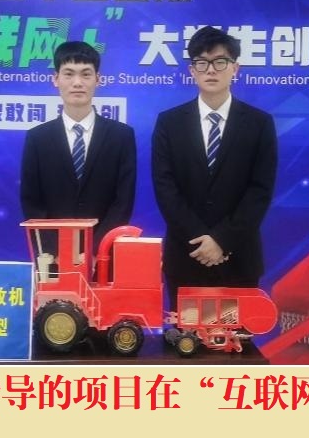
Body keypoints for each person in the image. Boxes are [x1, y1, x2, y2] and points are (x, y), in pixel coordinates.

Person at [151, 26, 278, 305]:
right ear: (191, 70)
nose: (211, 70)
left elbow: (260, 190)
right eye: (202, 62)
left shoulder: (259, 124)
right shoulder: (169, 123)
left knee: (236, 334)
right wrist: (201, 240)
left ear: (235, 68)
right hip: (187, 255)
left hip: (239, 258)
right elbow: (165, 187)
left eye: (220, 62)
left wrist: (222, 240)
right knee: (187, 333)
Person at [21, 41, 137, 249]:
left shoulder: (121, 136)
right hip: (53, 257)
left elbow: (123, 201)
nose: (77, 83)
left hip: (103, 255)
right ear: (55, 79)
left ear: (98, 79)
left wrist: (97, 250)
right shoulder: (37, 138)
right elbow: (32, 202)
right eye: (68, 74)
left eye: (85, 74)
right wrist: (56, 250)